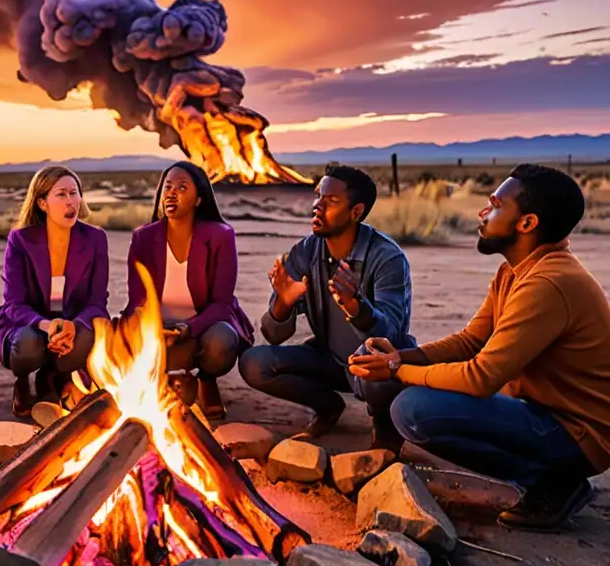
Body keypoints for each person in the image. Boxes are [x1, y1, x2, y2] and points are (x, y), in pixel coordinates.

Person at [350, 164, 610, 531]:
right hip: (542, 413)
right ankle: (545, 474)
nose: (482, 213)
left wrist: (397, 371)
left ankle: (555, 482)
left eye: (495, 204)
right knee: (399, 387)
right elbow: (471, 341)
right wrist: (397, 357)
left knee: (414, 410)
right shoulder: (516, 272)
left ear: (527, 223)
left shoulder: (550, 282)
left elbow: (481, 377)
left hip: (577, 435)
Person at [238, 165, 415, 451]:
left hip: (375, 365)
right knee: (254, 363)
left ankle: (384, 422)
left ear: (356, 212)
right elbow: (272, 334)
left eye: (331, 201)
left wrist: (357, 307)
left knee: (378, 363)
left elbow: (392, 334)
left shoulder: (388, 257)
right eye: (319, 196)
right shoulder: (305, 251)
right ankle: (328, 405)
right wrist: (284, 303)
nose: (318, 206)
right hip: (328, 358)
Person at [123, 161, 254, 420]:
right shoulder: (143, 238)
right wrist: (150, 326)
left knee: (222, 341)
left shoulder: (220, 236)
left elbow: (222, 304)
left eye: (182, 187)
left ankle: (206, 380)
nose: (171, 193)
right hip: (158, 324)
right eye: (167, 187)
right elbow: (138, 299)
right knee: (122, 336)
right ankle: (162, 380)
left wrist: (187, 328)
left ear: (198, 200)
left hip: (204, 325)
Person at [0, 166, 110, 417]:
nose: (70, 201)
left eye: (74, 193)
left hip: (72, 322)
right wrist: (45, 325)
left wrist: (74, 325)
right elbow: (14, 303)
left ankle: (53, 377)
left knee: (87, 338)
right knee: (28, 345)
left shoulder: (95, 239)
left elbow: (98, 301)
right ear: (43, 203)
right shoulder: (20, 240)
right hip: (30, 324)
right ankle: (22, 381)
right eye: (61, 194)